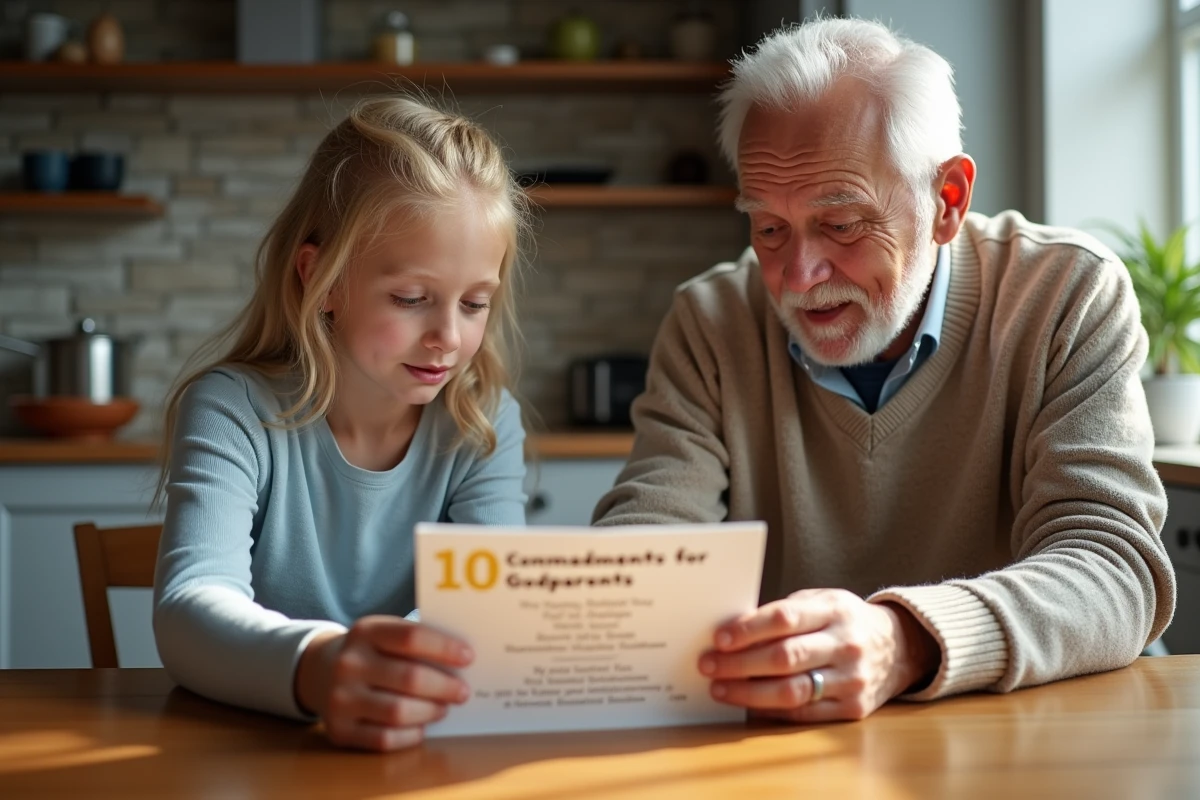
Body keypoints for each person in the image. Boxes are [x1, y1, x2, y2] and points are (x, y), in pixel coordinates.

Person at [593, 18, 1176, 722]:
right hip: (798, 746)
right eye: (769, 227)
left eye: (842, 224)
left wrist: (905, 642)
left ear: (947, 202)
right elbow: (642, 560)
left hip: (1040, 734)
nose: (798, 277)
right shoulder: (712, 321)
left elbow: (1114, 570)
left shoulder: (1065, 295)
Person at [153, 95, 531, 752]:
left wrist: (407, 670)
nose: (447, 336)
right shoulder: (233, 409)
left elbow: (490, 605)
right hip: (259, 759)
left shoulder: (483, 422)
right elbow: (191, 609)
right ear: (322, 280)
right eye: (411, 298)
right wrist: (321, 667)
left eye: (474, 303)